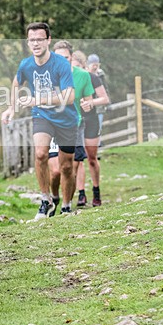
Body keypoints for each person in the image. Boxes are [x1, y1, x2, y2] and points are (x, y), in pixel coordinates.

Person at [2, 23, 77, 218]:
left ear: (48, 40)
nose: (36, 43)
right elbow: (16, 83)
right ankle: (46, 200)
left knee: (67, 166)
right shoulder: (26, 64)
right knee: (41, 154)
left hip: (66, 118)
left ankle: (67, 205)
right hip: (42, 116)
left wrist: (38, 99)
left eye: (40, 39)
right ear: (28, 42)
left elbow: (69, 97)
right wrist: (11, 108)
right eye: (32, 40)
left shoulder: (61, 63)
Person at [49, 42, 93, 213]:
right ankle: (54, 197)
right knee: (55, 172)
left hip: (74, 125)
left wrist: (87, 104)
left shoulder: (83, 75)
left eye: (65, 57)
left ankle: (66, 206)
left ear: (71, 57)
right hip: (53, 125)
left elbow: (88, 100)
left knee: (70, 169)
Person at [73, 50, 109, 207]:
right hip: (75, 121)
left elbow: (105, 99)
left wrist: (92, 103)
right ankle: (81, 194)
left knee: (91, 158)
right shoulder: (66, 78)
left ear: (83, 66)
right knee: (78, 158)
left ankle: (96, 191)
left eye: (77, 66)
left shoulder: (92, 78)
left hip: (91, 120)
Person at [87, 54, 108, 146]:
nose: (95, 67)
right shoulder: (85, 75)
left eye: (97, 64)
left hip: (99, 106)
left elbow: (105, 90)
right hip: (88, 107)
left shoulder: (101, 75)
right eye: (93, 65)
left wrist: (108, 103)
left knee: (98, 126)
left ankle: (97, 145)